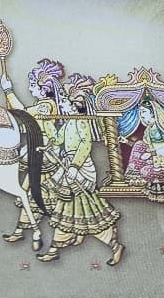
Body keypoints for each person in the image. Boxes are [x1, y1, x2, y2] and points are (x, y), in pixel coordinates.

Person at [38, 73, 123, 266]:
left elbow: (85, 145)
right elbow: (57, 140)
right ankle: (60, 244)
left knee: (85, 208)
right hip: (68, 166)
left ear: (77, 106)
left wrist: (75, 166)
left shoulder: (82, 122)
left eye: (68, 103)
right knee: (67, 205)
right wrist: (46, 127)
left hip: (80, 168)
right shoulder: (69, 122)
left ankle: (114, 245)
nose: (64, 105)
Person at [0, 58, 63, 242]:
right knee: (30, 191)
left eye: (33, 85)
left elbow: (25, 112)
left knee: (42, 194)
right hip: (37, 151)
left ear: (43, 89)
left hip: (45, 153)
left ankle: (57, 234)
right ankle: (22, 229)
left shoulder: (46, 105)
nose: (29, 88)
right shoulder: (43, 104)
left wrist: (8, 90)